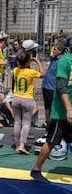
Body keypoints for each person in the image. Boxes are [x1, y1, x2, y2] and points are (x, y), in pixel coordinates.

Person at [31, 39, 72, 183]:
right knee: (52, 141)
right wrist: (68, 109)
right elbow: (61, 88)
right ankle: (36, 170)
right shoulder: (65, 62)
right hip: (61, 111)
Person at [12, 51, 44, 154]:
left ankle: (17, 145)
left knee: (17, 122)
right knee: (26, 123)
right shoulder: (30, 72)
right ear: (28, 62)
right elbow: (42, 74)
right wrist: (38, 61)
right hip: (27, 98)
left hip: (16, 98)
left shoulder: (15, 70)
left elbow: (19, 63)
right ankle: (22, 145)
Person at [41, 43, 65, 129]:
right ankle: (47, 123)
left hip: (52, 87)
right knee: (47, 106)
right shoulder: (54, 59)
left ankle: (54, 124)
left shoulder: (61, 60)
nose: (53, 51)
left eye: (55, 49)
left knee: (53, 106)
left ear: (60, 51)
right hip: (46, 86)